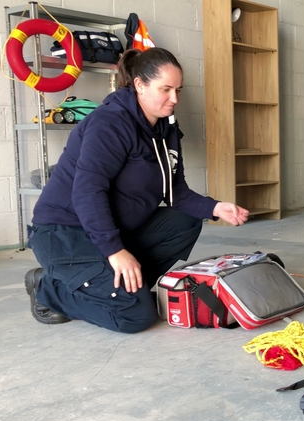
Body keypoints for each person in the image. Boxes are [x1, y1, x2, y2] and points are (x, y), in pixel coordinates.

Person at [25, 47, 249, 333]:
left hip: (115, 227)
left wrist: (216, 208)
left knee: (185, 221)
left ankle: (124, 287)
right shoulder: (110, 123)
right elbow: (87, 192)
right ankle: (49, 290)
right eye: (165, 89)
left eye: (178, 89)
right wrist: (115, 249)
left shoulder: (166, 127)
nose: (174, 99)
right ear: (140, 85)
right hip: (66, 232)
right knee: (136, 315)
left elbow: (176, 192)